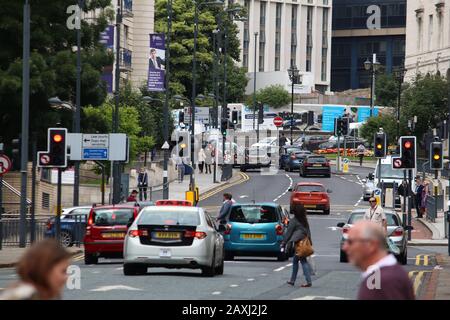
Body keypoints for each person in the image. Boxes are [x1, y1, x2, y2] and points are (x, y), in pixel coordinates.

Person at [343, 220, 415, 300]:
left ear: (371, 245)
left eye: (350, 242)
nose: (344, 247)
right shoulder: (385, 275)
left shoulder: (384, 281)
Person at [0, 239, 71, 300]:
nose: (66, 277)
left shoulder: (49, 295)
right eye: (63, 271)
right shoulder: (24, 296)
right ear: (44, 269)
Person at [282, 205, 313, 287]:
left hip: (299, 244)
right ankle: (292, 280)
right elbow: (308, 231)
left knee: (303, 261)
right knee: (296, 261)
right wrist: (310, 242)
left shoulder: (294, 221)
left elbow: (289, 233)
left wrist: (284, 242)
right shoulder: (304, 220)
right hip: (304, 242)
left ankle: (308, 281)